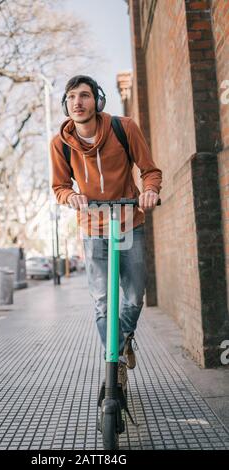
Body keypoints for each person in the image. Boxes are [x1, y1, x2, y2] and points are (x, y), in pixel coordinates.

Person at [50, 75, 162, 390]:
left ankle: (123, 340)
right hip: (92, 226)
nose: (78, 102)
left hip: (127, 222)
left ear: (97, 101)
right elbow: (59, 186)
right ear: (65, 104)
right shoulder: (60, 143)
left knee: (134, 294)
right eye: (71, 97)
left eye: (84, 96)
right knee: (101, 300)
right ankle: (114, 363)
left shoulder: (123, 128)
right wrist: (70, 196)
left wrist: (149, 191)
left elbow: (149, 170)